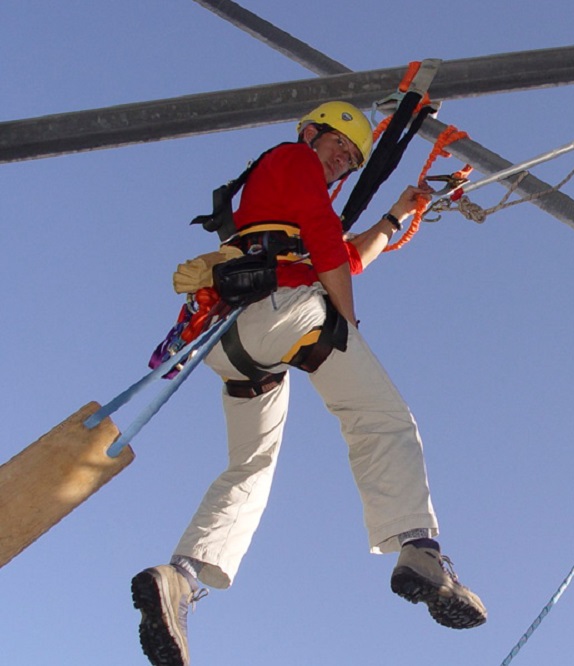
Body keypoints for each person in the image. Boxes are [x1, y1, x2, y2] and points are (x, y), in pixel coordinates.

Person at [131, 101, 487, 666]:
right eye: (336, 146)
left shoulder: (280, 200)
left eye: (349, 158)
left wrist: (396, 215)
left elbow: (346, 255)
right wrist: (346, 326)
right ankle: (419, 549)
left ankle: (182, 576)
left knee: (251, 464)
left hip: (236, 341)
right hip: (285, 312)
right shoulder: (292, 160)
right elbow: (326, 246)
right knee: (380, 418)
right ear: (310, 134)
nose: (340, 160)